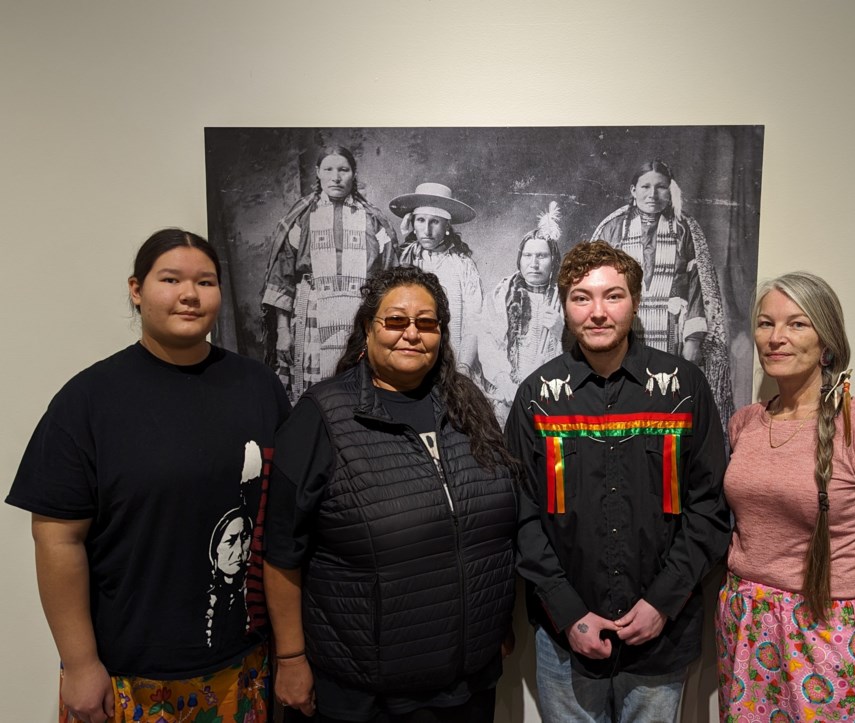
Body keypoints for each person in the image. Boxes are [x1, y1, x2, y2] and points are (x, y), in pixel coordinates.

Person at [5, 229, 290, 723]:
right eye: (171, 279)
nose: (189, 294)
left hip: (240, 664)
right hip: (126, 673)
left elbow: (282, 521)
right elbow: (56, 539)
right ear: (136, 290)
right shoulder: (89, 400)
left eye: (205, 281)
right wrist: (79, 663)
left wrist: (289, 652)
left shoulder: (258, 386)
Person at [263, 265, 518, 723]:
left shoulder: (468, 405)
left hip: (467, 685)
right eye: (396, 321)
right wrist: (290, 659)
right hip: (367, 696)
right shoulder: (323, 416)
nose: (411, 334)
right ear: (368, 328)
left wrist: (491, 621)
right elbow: (283, 553)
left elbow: (492, 527)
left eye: (427, 323)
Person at [506, 240, 730, 723]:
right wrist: (568, 612)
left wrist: (661, 602)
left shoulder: (683, 388)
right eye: (581, 297)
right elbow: (520, 514)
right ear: (564, 306)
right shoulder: (537, 398)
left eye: (614, 296)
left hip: (660, 635)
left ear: (635, 300)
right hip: (566, 635)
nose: (598, 312)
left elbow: (710, 506)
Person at [716, 272, 855, 722]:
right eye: (766, 324)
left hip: (829, 632)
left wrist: (845, 614)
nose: (776, 338)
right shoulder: (745, 424)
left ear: (826, 340)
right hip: (747, 624)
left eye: (796, 324)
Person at [591, 160, 734, 425]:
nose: (652, 195)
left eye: (661, 187)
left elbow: (696, 287)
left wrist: (692, 342)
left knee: (665, 409)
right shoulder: (613, 229)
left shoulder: (684, 229)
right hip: (624, 331)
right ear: (633, 190)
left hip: (672, 333)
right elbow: (596, 289)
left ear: (671, 191)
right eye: (645, 186)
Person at [262, 145, 399, 402]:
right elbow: (283, 276)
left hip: (361, 317)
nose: (336, 177)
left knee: (358, 390)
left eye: (343, 170)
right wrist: (283, 330)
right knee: (315, 394)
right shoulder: (301, 218)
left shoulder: (373, 220)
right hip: (311, 313)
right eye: (329, 169)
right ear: (318, 173)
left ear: (353, 173)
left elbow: (391, 279)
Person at [480, 201, 565, 425]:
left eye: (542, 256)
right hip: (508, 394)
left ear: (554, 260)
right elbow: (488, 342)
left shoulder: (566, 298)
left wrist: (562, 331)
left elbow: (582, 352)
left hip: (552, 398)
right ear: (520, 259)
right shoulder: (501, 295)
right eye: (528, 256)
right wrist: (505, 382)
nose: (534, 264)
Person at [390, 182, 484, 379]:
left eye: (435, 222)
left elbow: (474, 319)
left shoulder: (463, 265)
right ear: (412, 223)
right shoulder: (403, 259)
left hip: (452, 361)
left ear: (447, 225)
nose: (427, 230)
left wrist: (464, 365)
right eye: (421, 220)